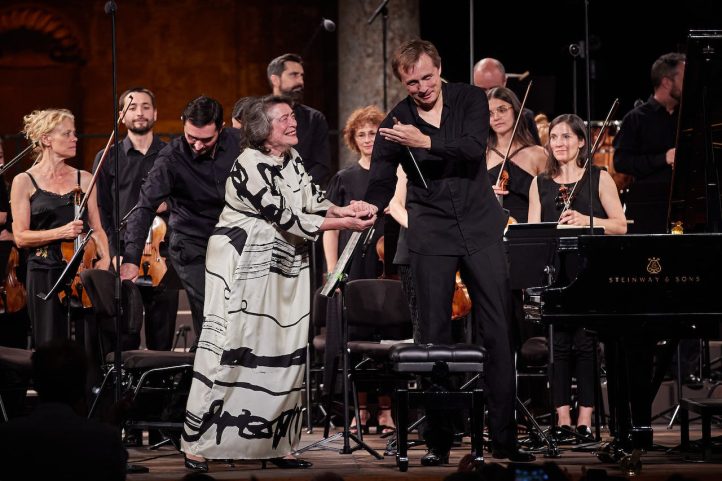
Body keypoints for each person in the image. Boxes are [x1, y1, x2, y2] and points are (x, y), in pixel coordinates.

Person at [181, 95, 376, 471]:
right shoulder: (249, 163)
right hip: (242, 263)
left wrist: (344, 208)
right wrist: (345, 223)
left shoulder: (292, 158)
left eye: (292, 116)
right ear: (262, 128)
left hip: (283, 262)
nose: (293, 122)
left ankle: (274, 443)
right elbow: (284, 214)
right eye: (283, 118)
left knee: (283, 349)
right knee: (231, 346)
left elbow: (312, 201)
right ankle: (198, 443)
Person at [365, 39, 533, 465]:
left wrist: (423, 141)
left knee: (498, 330)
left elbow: (473, 147)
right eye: (412, 83)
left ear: (439, 69)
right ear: (401, 83)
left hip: (480, 227)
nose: (422, 88)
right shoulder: (396, 122)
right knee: (434, 337)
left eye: (427, 77)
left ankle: (503, 438)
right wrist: (366, 207)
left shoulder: (469, 99)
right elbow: (381, 178)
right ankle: (439, 440)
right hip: (431, 232)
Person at [528, 114, 626, 440]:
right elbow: (533, 234)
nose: (559, 143)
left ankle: (585, 418)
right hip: (554, 272)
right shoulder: (539, 183)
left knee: (586, 344)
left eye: (567, 137)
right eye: (554, 137)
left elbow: (620, 226)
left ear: (582, 141)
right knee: (558, 345)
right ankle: (562, 419)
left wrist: (586, 220)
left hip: (589, 271)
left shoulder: (599, 178)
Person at [119, 96, 241, 342]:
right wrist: (131, 258)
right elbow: (145, 207)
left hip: (233, 239)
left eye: (206, 139)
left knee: (238, 310)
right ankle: (207, 361)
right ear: (183, 123)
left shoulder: (240, 143)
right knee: (210, 311)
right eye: (191, 137)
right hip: (191, 242)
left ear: (221, 127)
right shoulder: (171, 158)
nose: (197, 145)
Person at [10, 108, 110, 348]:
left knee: (89, 343)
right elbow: (21, 237)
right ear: (46, 139)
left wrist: (106, 258)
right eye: (67, 134)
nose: (75, 139)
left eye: (74, 133)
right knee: (50, 345)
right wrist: (61, 232)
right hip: (44, 270)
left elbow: (97, 228)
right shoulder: (24, 181)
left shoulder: (85, 178)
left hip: (82, 270)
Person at [322, 105, 393, 434]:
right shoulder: (344, 178)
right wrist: (332, 269)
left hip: (388, 264)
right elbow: (330, 228)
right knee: (357, 335)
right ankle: (361, 409)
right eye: (361, 134)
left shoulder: (394, 176)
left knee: (389, 337)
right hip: (354, 264)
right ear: (353, 139)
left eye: (373, 133)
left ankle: (387, 410)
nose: (367, 139)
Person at [94, 87, 179, 352]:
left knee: (161, 337)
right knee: (123, 337)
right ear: (122, 115)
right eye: (132, 107)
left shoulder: (172, 154)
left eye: (145, 107)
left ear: (155, 113)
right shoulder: (107, 157)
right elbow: (102, 212)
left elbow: (189, 198)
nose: (140, 112)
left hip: (163, 255)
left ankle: (160, 379)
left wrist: (169, 203)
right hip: (122, 253)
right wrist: (113, 253)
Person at [0, 339, 128, 481]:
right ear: (82, 384)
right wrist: (110, 427)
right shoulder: (105, 439)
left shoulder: (7, 436)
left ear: (35, 384)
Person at [613, 52, 685, 235]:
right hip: (649, 206)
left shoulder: (688, 115)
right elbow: (621, 162)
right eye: (684, 78)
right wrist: (663, 158)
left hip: (686, 203)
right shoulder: (636, 118)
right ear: (666, 82)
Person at [267, 53, 331, 187]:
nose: (300, 82)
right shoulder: (256, 115)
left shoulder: (315, 119)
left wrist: (297, 188)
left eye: (302, 76)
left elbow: (322, 166)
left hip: (304, 194)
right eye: (294, 75)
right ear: (275, 80)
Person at [486, 87, 546, 223]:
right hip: (492, 229)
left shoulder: (539, 155)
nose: (496, 117)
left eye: (502, 110)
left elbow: (550, 200)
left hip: (529, 229)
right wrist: (484, 195)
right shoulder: (481, 156)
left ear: (516, 111)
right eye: (490, 113)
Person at [473, 57, 541, 145]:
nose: (488, 94)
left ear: (504, 81)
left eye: (494, 89)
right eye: (482, 90)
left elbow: (536, 150)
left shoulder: (524, 117)